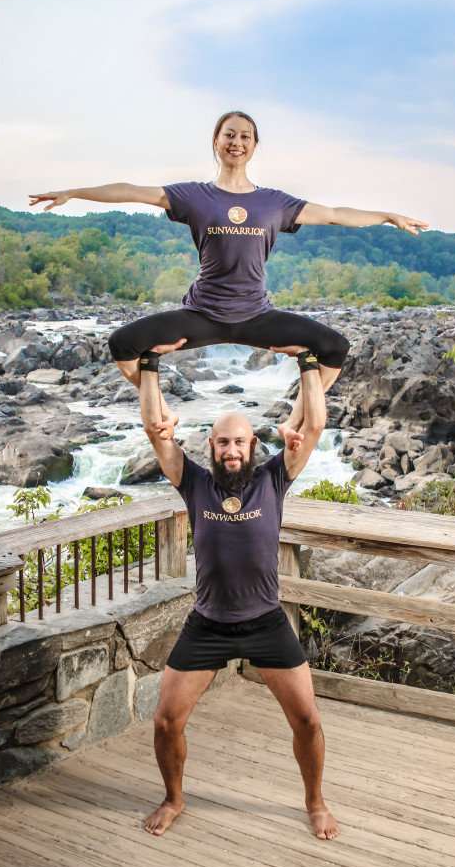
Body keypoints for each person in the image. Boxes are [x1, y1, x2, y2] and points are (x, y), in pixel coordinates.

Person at [29, 110, 428, 444]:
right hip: (202, 315)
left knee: (335, 347)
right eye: (229, 134)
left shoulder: (275, 202)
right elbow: (132, 190)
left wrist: (387, 216)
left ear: (254, 147)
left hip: (257, 316)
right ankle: (165, 412)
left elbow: (337, 213)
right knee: (123, 343)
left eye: (245, 136)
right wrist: (74, 192)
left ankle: (294, 419)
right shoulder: (194, 196)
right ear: (216, 142)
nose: (237, 141)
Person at [137, 338, 339, 839]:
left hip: (266, 621)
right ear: (211, 446)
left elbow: (313, 425)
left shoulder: (274, 478)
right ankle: (174, 797)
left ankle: (315, 802)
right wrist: (149, 365)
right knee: (165, 722)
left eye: (240, 441)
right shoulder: (194, 483)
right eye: (223, 442)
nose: (231, 450)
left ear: (253, 446)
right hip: (208, 624)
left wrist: (307, 361)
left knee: (309, 722)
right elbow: (154, 429)